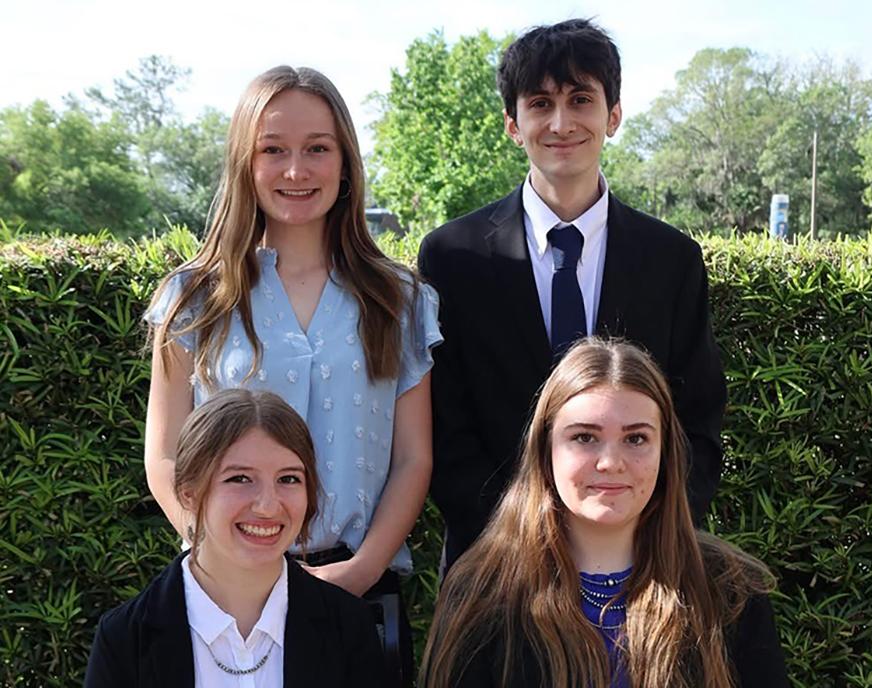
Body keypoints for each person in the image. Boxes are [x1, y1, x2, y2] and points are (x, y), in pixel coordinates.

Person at [144, 66, 440, 684]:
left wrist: (358, 573)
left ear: (345, 161)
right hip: (224, 598)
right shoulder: (193, 298)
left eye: (317, 149)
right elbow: (165, 456)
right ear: (244, 162)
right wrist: (230, 556)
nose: (296, 170)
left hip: (358, 597)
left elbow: (413, 458)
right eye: (273, 150)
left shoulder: (398, 298)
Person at [418, 19, 726, 572]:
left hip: (640, 563)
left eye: (580, 99)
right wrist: (523, 539)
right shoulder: (451, 257)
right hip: (493, 563)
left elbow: (696, 422)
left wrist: (639, 538)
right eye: (540, 103)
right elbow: (443, 428)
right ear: (513, 124)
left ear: (614, 116)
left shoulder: (671, 260)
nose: (561, 123)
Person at [420, 338, 788, 688]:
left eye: (636, 438)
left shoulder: (730, 591)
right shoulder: (482, 592)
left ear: (665, 454)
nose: (610, 462)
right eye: (584, 437)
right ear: (546, 450)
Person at [85, 389, 385, 686]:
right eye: (240, 478)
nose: (268, 506)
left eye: (288, 479)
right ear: (189, 494)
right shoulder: (125, 639)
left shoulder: (349, 628)